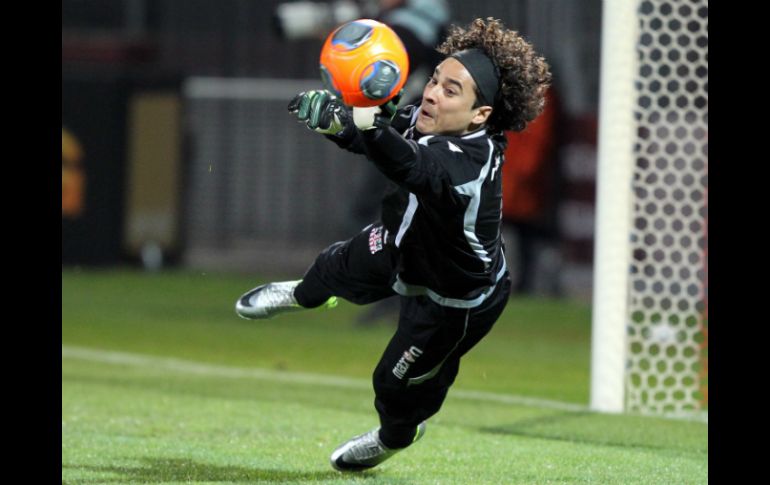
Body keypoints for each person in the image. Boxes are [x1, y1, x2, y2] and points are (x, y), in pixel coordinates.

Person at [235, 17, 551, 472]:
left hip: (453, 298)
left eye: (450, 91)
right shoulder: (427, 120)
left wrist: (366, 121)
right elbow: (377, 138)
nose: (432, 93)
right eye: (437, 79)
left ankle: (395, 436)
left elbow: (409, 164)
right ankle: (303, 295)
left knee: (395, 385)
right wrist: (336, 122)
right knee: (330, 268)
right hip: (402, 245)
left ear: (481, 115)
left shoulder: (471, 164)